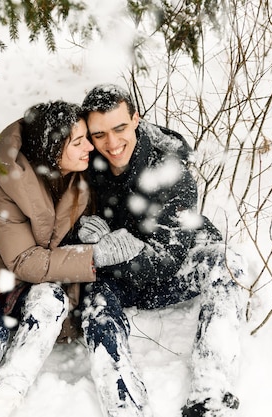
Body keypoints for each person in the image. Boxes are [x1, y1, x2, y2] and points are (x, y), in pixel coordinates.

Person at [0, 100, 144, 417]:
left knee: (51, 301)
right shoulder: (8, 186)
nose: (89, 148)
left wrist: (90, 229)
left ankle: (5, 397)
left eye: (85, 138)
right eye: (77, 142)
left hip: (34, 279)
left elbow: (67, 224)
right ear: (53, 151)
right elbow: (25, 260)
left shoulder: (81, 174)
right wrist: (94, 254)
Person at [77, 84, 248, 417]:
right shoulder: (82, 160)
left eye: (120, 128)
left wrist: (117, 249)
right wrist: (80, 231)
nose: (112, 144)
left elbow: (165, 261)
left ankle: (210, 393)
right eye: (99, 135)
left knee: (229, 263)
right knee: (93, 301)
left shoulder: (171, 169)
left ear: (136, 119)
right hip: (114, 277)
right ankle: (124, 403)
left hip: (167, 267)